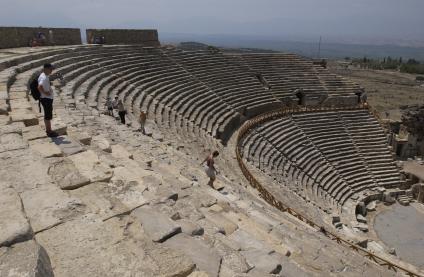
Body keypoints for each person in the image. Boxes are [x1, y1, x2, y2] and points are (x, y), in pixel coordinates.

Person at [38, 63, 58, 137]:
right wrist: (45, 93)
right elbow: (39, 87)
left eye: (52, 69)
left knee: (47, 115)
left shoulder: (44, 75)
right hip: (46, 99)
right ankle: (49, 131)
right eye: (50, 69)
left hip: (46, 99)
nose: (51, 70)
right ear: (46, 69)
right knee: (48, 115)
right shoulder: (44, 78)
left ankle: (48, 129)